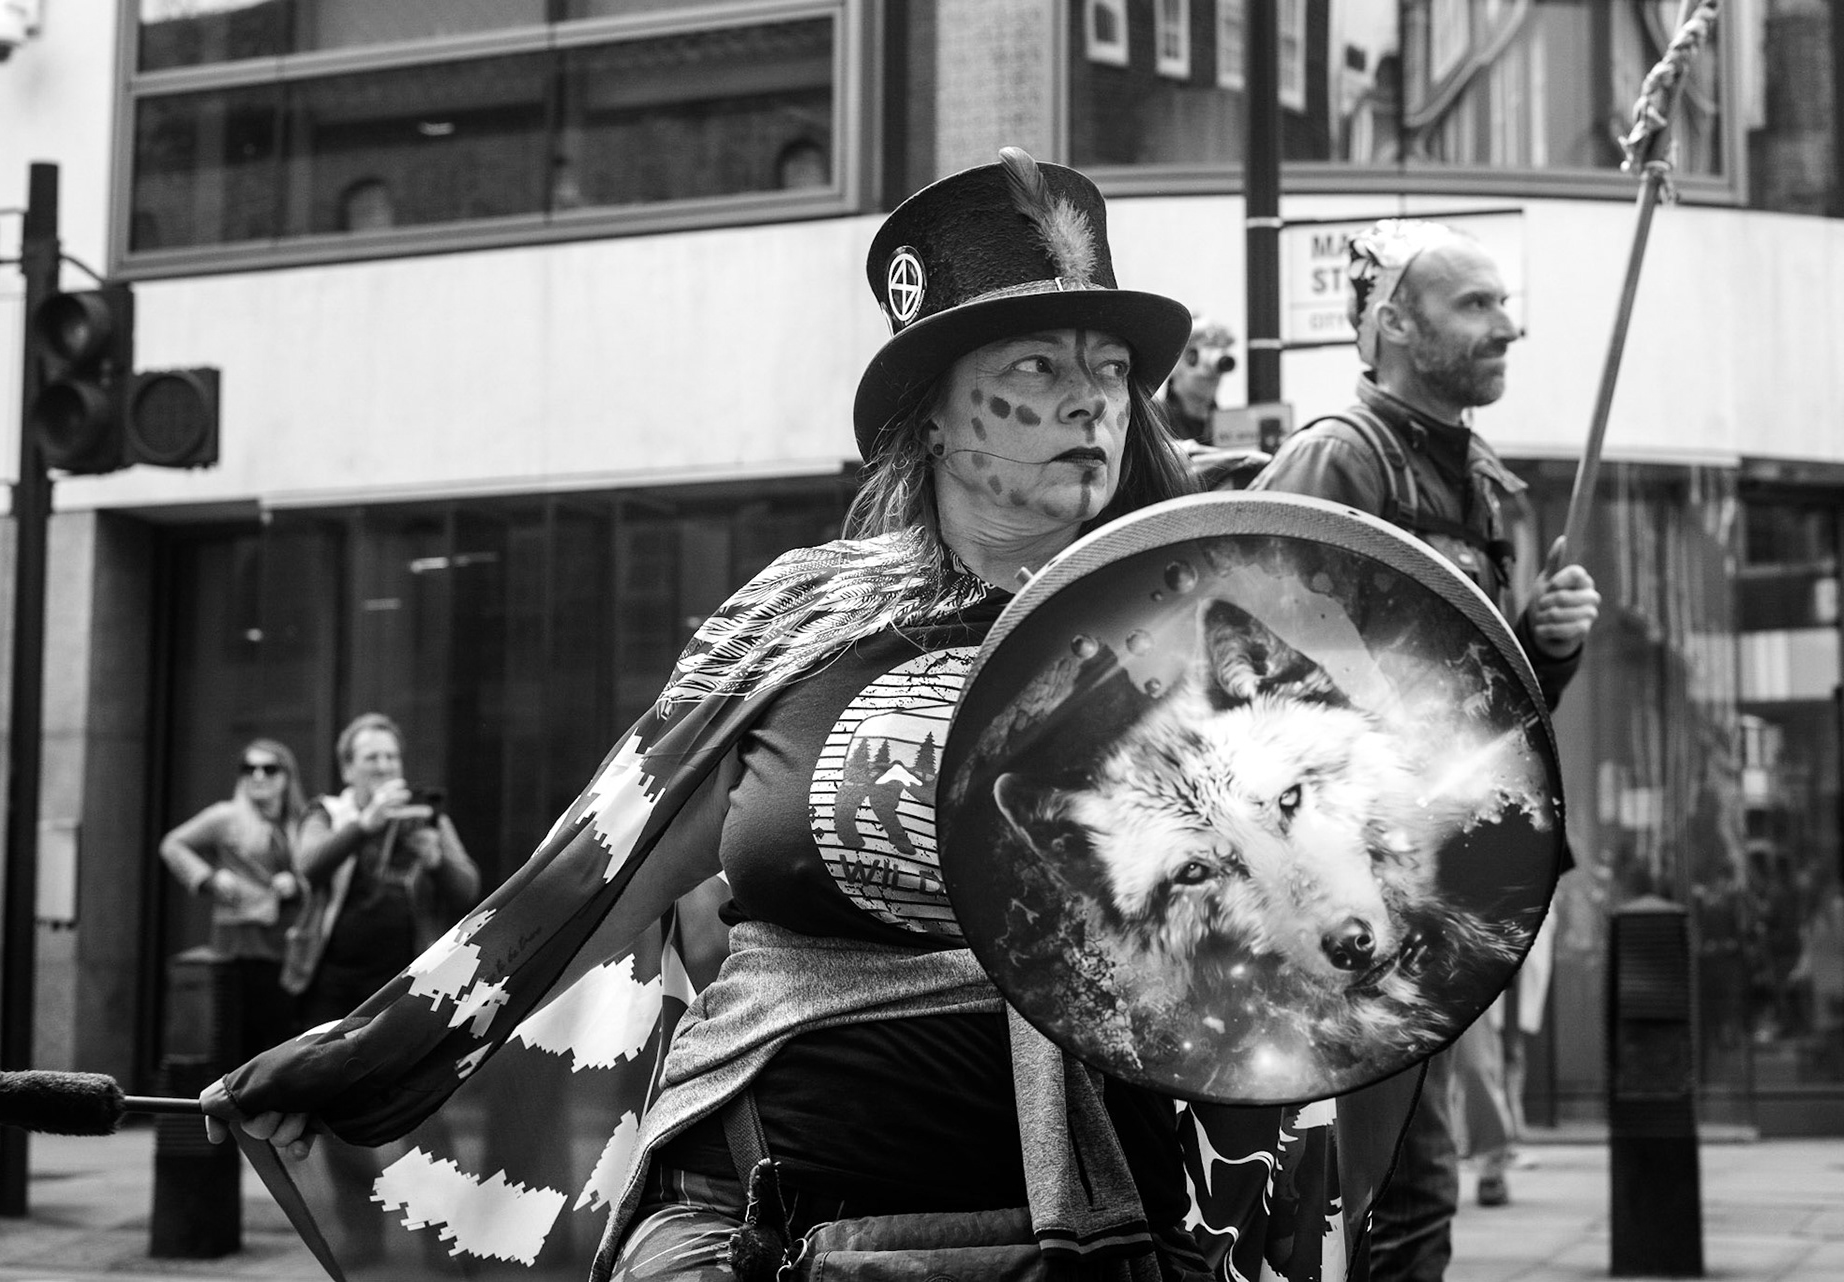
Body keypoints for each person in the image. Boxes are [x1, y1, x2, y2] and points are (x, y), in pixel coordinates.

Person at [205, 150, 1415, 1282]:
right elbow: (584, 882)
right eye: (1038, 369)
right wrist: (365, 1050)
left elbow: (1378, 870)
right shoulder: (800, 614)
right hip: (757, 1228)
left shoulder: (1204, 618)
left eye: (1107, 371)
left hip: (1107, 1238)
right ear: (933, 415)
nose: (1089, 403)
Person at [1250, 217, 1601, 1281]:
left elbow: (1487, 714)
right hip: (1346, 889)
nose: (1510, 326)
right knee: (1379, 1195)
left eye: (1504, 303)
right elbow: (1250, 666)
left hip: (1433, 880)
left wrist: (1544, 650)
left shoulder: (1486, 483)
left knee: (1407, 1195)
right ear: (1395, 325)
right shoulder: (1337, 457)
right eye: (1478, 306)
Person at [283, 712, 479, 1032]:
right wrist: (362, 825)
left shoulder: (423, 816)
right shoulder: (327, 813)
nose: (384, 766)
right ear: (348, 769)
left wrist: (434, 860)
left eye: (391, 757)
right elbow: (307, 866)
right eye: (371, 757)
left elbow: (468, 889)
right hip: (331, 983)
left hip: (405, 982)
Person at [158, 738, 307, 1057]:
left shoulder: (301, 821)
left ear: (286, 776)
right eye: (248, 768)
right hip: (240, 944)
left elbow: (316, 870)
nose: (258, 776)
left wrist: (295, 882)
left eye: (268, 768)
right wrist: (209, 878)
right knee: (239, 1043)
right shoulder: (226, 816)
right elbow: (173, 845)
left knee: (283, 1042)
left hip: (288, 946)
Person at [1159, 315, 1236, 444]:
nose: (1210, 372)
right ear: (1174, 360)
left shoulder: (1230, 427)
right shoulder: (1152, 421)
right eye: (1195, 356)